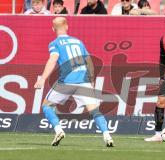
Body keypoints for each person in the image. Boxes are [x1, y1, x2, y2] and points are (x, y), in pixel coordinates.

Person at [34, 17, 114, 147]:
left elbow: (53, 60)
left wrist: (42, 78)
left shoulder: (54, 44)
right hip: (83, 81)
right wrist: (91, 80)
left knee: (46, 105)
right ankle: (107, 135)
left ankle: (58, 130)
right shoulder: (78, 42)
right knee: (94, 110)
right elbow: (88, 61)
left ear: (53, 29)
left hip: (66, 82)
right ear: (67, 26)